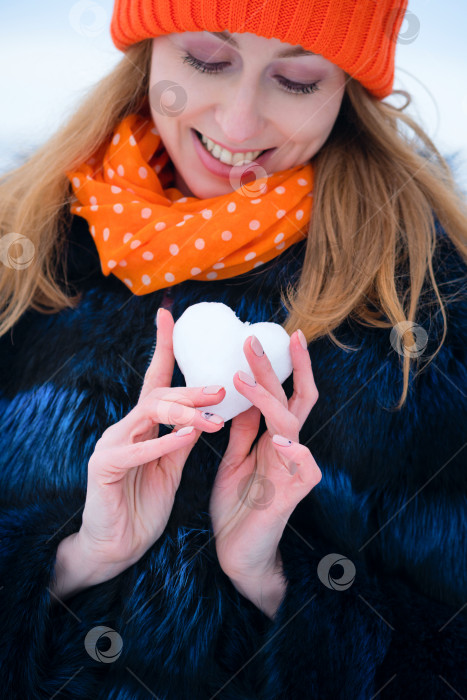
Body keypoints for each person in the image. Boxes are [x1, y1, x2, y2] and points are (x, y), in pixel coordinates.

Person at [0, 0, 466, 697]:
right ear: (149, 49)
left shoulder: (428, 303)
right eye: (207, 61)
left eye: (298, 80)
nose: (237, 123)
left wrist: (279, 582)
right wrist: (71, 560)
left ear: (346, 88)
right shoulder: (21, 253)